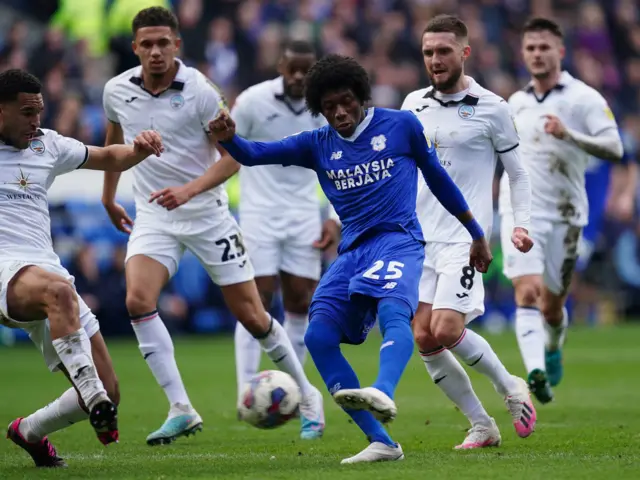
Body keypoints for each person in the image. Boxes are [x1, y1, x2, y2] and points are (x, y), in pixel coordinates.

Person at [209, 53, 494, 464]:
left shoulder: (400, 126)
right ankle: (381, 441)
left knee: (395, 313)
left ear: (361, 96)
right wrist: (227, 138)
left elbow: (438, 178)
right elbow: (252, 154)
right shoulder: (316, 144)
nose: (339, 113)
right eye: (328, 107)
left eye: (346, 102)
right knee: (317, 337)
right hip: (352, 251)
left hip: (399, 240)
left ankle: (384, 389)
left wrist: (475, 232)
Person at [101, 6, 324, 445]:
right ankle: (181, 408)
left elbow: (232, 158)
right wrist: (108, 197)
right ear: (135, 48)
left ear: (177, 45)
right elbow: (112, 143)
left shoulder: (202, 91)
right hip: (154, 215)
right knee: (136, 300)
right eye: (146, 44)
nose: (155, 51)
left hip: (207, 217)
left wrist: (188, 191)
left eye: (163, 42)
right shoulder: (116, 90)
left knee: (254, 316)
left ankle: (310, 396)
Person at [0, 68, 163, 467]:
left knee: (112, 388)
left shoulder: (48, 146)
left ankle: (30, 431)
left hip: (46, 270)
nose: (35, 120)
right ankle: (93, 398)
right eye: (25, 112)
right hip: (7, 270)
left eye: (38, 111)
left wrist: (140, 149)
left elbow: (109, 156)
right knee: (59, 292)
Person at [401, 14, 536, 450]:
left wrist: (520, 224)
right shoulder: (411, 104)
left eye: (443, 51)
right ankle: (482, 425)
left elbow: (518, 174)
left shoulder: (493, 108)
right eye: (428, 52)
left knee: (444, 327)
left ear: (464, 52)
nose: (435, 60)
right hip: (418, 237)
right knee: (421, 334)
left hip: (465, 236)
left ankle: (510, 385)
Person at [184, 40, 339, 422]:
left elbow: (338, 162)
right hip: (259, 213)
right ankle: (246, 392)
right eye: (292, 69)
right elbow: (227, 146)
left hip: (304, 212)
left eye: (306, 69)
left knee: (301, 302)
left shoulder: (323, 107)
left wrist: (333, 217)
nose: (299, 76)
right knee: (259, 303)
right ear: (280, 65)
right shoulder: (252, 101)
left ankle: (293, 391)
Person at [499, 17, 623, 403]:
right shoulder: (514, 104)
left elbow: (615, 148)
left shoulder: (583, 98)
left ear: (560, 52)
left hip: (566, 216)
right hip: (520, 212)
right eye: (531, 48)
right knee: (527, 291)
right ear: (523, 54)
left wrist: (569, 135)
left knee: (552, 308)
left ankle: (551, 348)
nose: (537, 54)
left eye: (544, 47)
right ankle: (535, 370)